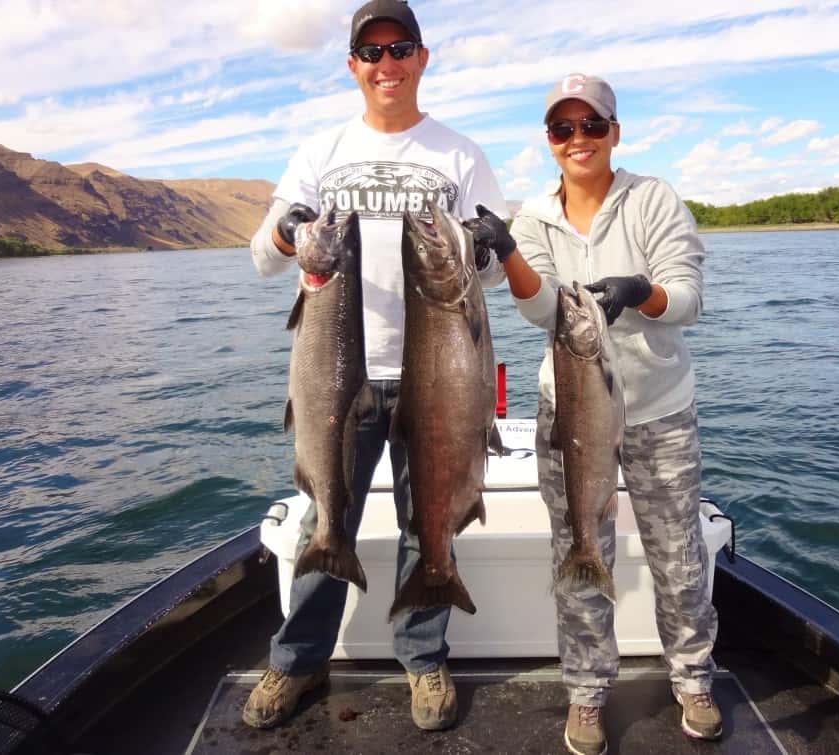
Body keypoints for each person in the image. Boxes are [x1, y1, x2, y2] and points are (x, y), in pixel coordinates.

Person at [246, 0, 508, 733]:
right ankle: (297, 660)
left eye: (400, 49)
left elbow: (490, 274)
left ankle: (423, 658)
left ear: (422, 58)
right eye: (372, 52)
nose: (386, 64)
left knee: (431, 522)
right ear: (353, 65)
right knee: (322, 518)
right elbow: (263, 257)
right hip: (338, 377)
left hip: (440, 376)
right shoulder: (319, 151)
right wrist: (289, 229)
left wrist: (491, 243)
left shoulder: (462, 155)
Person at [465, 74, 721, 754]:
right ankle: (585, 690)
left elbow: (689, 298)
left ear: (614, 131)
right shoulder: (534, 218)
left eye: (591, 125)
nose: (577, 138)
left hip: (661, 411)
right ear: (549, 139)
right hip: (569, 415)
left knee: (679, 556)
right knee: (578, 548)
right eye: (563, 128)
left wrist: (643, 291)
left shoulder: (653, 198)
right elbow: (542, 308)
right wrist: (509, 252)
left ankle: (693, 677)